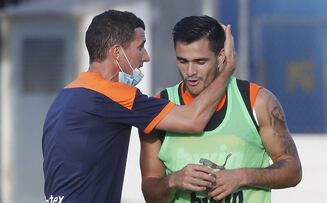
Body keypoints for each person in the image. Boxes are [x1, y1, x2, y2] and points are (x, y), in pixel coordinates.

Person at [42, 10, 236, 203]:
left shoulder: (65, 96)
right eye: (140, 47)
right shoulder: (112, 94)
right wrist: (227, 69)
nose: (146, 57)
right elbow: (194, 120)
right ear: (117, 53)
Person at [140, 15, 302, 203]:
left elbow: (293, 171)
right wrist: (173, 181)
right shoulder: (160, 107)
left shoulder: (256, 101)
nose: (190, 72)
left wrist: (242, 176)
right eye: (183, 61)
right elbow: (150, 194)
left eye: (200, 62)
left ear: (221, 57)